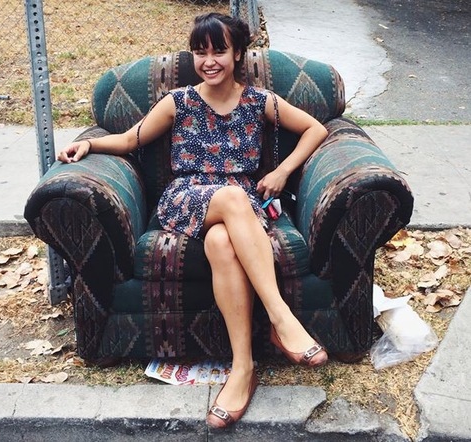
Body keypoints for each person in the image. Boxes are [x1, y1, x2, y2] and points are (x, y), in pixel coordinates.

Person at [58, 12, 329, 429]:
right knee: (233, 198)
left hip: (239, 204)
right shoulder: (179, 101)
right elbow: (130, 139)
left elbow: (315, 130)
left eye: (219, 50)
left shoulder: (259, 101)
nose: (209, 61)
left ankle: (242, 368)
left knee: (222, 241)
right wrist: (89, 145)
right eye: (200, 52)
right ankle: (281, 317)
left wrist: (281, 171)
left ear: (237, 54)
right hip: (186, 197)